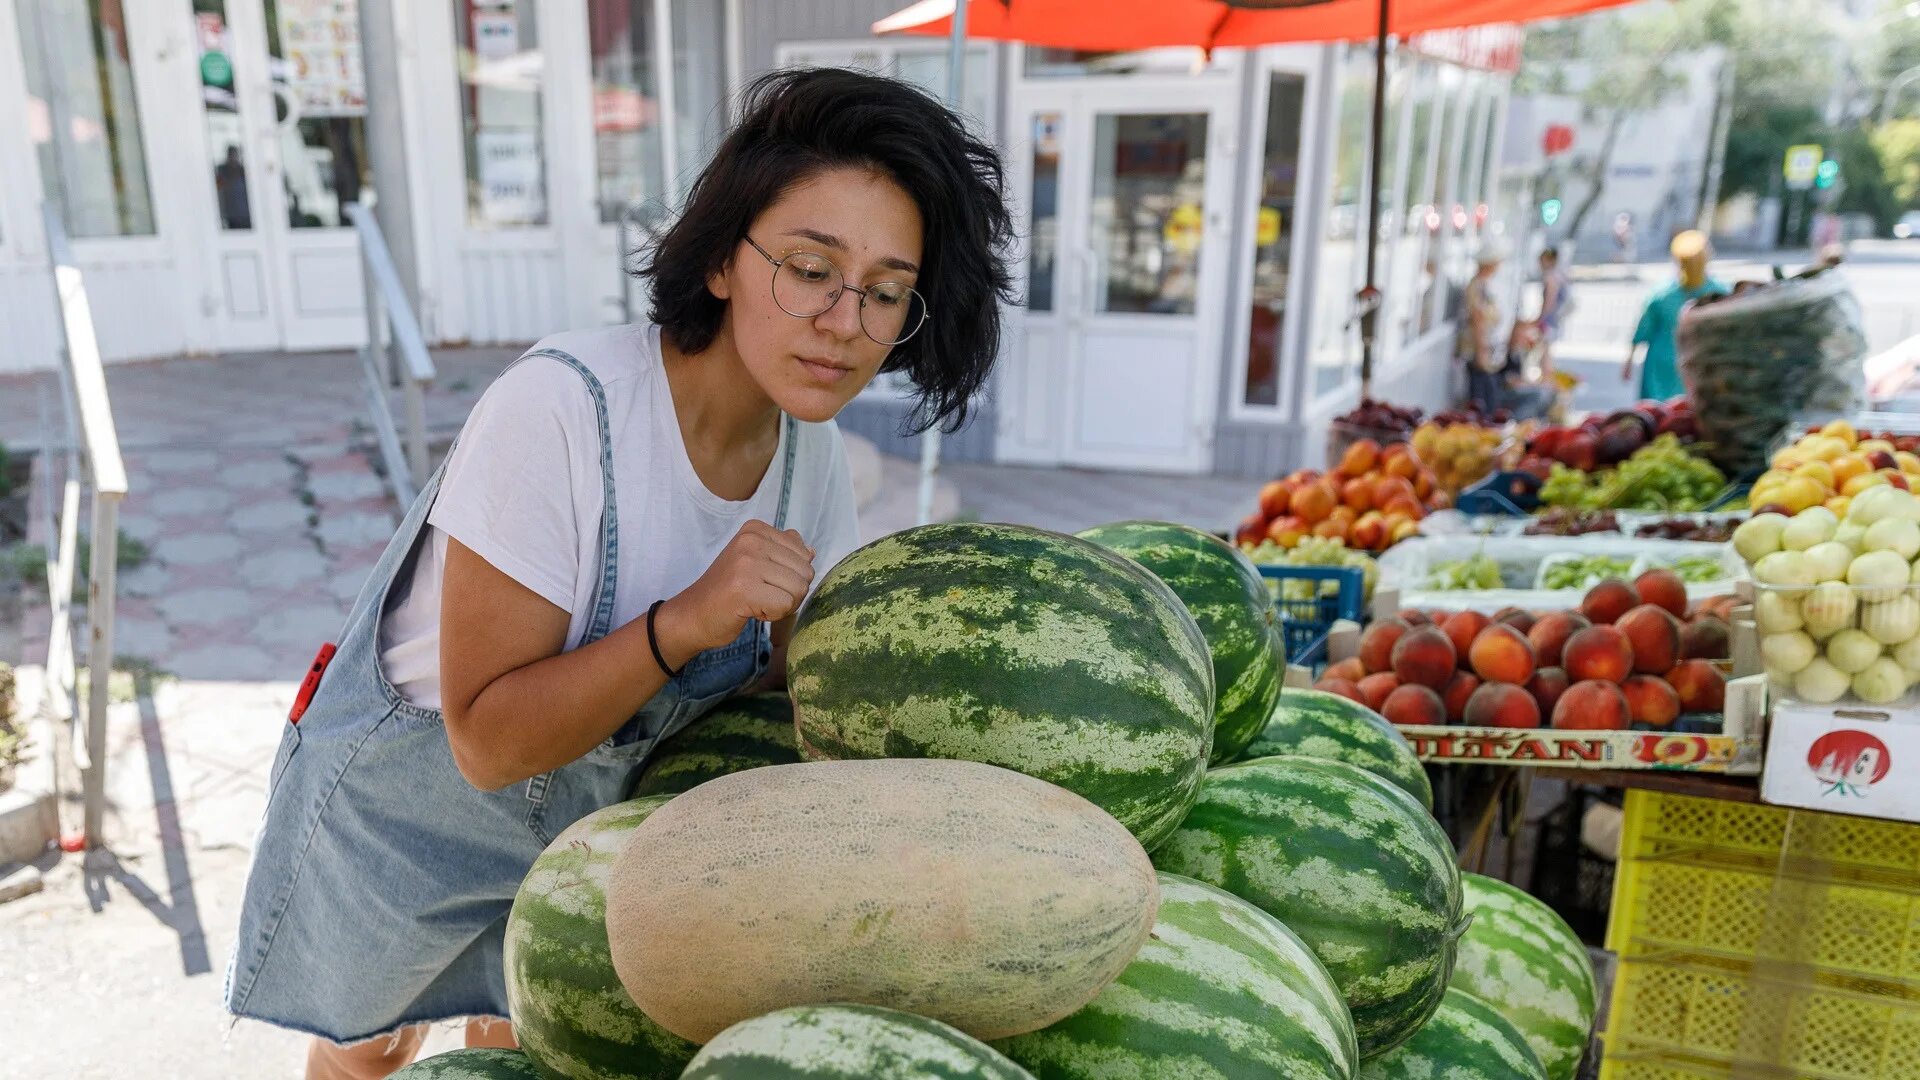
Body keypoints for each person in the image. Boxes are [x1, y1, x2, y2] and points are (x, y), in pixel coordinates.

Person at [224, 68, 1014, 1080]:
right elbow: (489, 743)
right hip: (416, 816)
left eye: (886, 291)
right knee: (369, 1052)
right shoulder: (560, 409)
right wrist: (683, 623)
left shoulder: (811, 465)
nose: (845, 320)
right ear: (726, 259)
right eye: (812, 268)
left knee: (517, 1050)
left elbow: (793, 701)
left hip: (585, 840)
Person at [1622, 230, 1727, 401]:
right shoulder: (1720, 293)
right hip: (1697, 364)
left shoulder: (1662, 294)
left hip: (1662, 364)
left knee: (1657, 416)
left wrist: (1628, 361)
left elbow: (1642, 330)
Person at [1459, 238, 1509, 414]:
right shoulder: (1477, 286)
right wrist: (1481, 352)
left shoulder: (1483, 285)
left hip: (1486, 350)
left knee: (1488, 396)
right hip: (1479, 351)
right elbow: (1478, 319)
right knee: (1483, 398)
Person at [1533, 245, 1572, 369]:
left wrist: (1541, 318)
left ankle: (1546, 375)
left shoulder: (1551, 277)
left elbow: (1550, 300)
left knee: (1545, 348)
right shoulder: (1559, 275)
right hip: (1554, 318)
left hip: (1550, 319)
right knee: (1546, 348)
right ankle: (1546, 374)